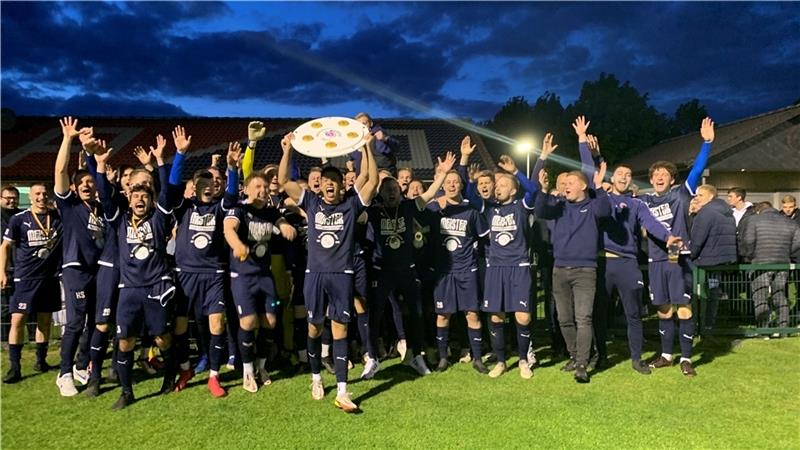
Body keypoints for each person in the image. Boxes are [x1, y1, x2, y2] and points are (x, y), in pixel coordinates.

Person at [278, 131, 379, 413]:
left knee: (340, 330)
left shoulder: (351, 205)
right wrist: (287, 149)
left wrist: (367, 148)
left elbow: (372, 180)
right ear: (319, 186)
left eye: (335, 181)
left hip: (342, 276)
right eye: (326, 181)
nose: (331, 185)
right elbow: (285, 181)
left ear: (341, 186)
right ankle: (315, 378)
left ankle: (343, 392)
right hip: (315, 276)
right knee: (313, 327)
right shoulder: (311, 202)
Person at [579, 133, 680, 375]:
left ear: (631, 180)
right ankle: (600, 356)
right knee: (598, 314)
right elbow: (588, 172)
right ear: (612, 178)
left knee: (633, 314)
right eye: (620, 174)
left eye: (628, 175)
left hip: (627, 264)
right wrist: (583, 143)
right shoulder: (599, 197)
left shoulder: (637, 204)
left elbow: (653, 224)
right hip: (603, 264)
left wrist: (668, 238)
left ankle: (637, 359)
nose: (624, 177)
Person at [95, 132, 179, 410]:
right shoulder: (119, 222)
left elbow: (167, 191)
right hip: (129, 291)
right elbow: (105, 198)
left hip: (155, 287)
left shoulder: (159, 219)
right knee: (124, 341)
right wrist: (99, 165)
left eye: (144, 195)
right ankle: (127, 391)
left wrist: (163, 160)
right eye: (135, 195)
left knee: (161, 338)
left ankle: (169, 375)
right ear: (129, 199)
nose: (140, 200)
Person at [533, 118, 611, 384]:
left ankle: (581, 364)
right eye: (562, 183)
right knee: (564, 319)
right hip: (559, 269)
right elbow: (539, 206)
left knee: (583, 317)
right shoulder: (557, 206)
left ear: (582, 186)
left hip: (585, 270)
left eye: (569, 183)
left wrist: (581, 140)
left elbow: (604, 206)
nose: (564, 185)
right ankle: (576, 355)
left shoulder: (594, 205)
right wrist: (542, 160)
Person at [367, 153, 455, 377]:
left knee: (416, 315)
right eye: (387, 190)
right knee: (375, 315)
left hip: (407, 270)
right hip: (382, 271)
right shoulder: (373, 211)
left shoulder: (408, 207)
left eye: (395, 190)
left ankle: (416, 356)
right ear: (380, 193)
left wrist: (443, 174)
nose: (392, 193)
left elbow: (428, 194)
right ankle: (372, 358)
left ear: (400, 192)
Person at [640, 117, 715, 377]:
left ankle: (686, 357)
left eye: (665, 174)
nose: (660, 177)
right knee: (662, 309)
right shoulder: (645, 200)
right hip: (655, 258)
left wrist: (706, 143)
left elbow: (696, 170)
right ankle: (666, 355)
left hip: (677, 256)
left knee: (683, 307)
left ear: (672, 180)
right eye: (655, 174)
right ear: (651, 179)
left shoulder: (681, 193)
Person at [169, 128, 241, 397]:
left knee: (217, 324)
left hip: (213, 274)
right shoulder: (183, 208)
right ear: (194, 188)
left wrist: (232, 168)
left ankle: (213, 375)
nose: (207, 186)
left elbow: (232, 196)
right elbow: (173, 187)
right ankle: (186, 367)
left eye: (211, 183)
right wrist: (180, 154)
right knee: (179, 325)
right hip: (185, 274)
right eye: (202, 183)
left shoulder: (219, 207)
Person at [224, 169, 296, 393]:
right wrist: (237, 245)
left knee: (271, 322)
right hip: (243, 277)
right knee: (248, 322)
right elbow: (228, 228)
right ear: (246, 189)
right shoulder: (240, 209)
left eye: (265, 187)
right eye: (258, 187)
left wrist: (285, 226)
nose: (263, 190)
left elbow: (281, 220)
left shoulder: (271, 211)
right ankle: (247, 371)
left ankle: (261, 366)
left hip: (265, 276)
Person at [51, 117, 108, 396]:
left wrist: (93, 154)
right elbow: (61, 170)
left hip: (99, 272)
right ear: (74, 188)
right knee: (75, 322)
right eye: (81, 182)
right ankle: (64, 373)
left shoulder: (101, 208)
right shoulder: (70, 205)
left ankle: (81, 365)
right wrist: (68, 139)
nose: (87, 185)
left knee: (96, 322)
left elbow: (100, 173)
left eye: (90, 181)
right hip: (76, 270)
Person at [479, 152, 541, 379]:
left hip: (519, 266)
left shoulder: (522, 206)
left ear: (513, 190)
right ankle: (502, 361)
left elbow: (533, 190)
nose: (498, 187)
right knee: (496, 317)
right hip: (495, 267)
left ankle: (524, 359)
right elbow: (470, 195)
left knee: (523, 316)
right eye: (497, 184)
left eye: (503, 184)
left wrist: (515, 171)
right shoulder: (490, 209)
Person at [1, 182, 62, 383]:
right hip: (26, 277)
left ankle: (41, 360)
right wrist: (2, 271)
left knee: (45, 320)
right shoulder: (19, 219)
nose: (41, 197)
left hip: (50, 277)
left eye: (45, 193)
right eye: (37, 194)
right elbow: (6, 246)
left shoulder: (57, 217)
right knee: (18, 319)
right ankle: (15, 367)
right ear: (31, 196)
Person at [740, 201, 800, 332]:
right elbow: (798, 241)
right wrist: (786, 252)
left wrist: (749, 256)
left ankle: (763, 329)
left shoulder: (754, 220)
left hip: (760, 262)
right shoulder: (789, 221)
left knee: (760, 296)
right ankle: (783, 327)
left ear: (758, 210)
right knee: (780, 294)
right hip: (782, 262)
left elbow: (748, 241)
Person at [690, 184, 738, 332]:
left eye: (700, 195)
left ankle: (695, 324)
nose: (697, 198)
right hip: (719, 262)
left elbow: (697, 239)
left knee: (697, 293)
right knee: (713, 292)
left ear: (711, 196)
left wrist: (689, 256)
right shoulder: (728, 213)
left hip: (703, 261)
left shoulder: (706, 213)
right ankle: (709, 323)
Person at [1, 185, 22, 347]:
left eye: (14, 197)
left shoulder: (23, 216)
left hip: (23, 268)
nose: (11, 200)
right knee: (4, 307)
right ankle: (3, 340)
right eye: (8, 197)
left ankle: (31, 338)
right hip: (4, 268)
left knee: (27, 307)